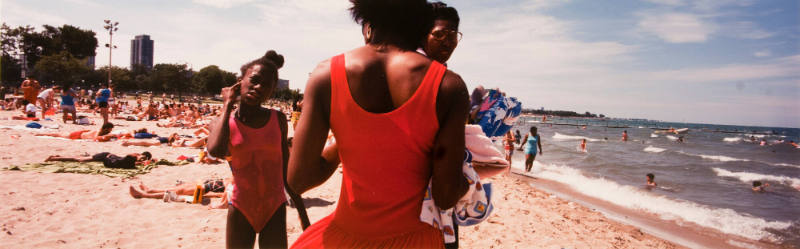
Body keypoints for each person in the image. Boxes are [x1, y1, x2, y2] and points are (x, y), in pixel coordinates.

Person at [288, 1, 469, 248]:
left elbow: (299, 180)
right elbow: (446, 195)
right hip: (415, 239)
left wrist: (348, 140)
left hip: (344, 236)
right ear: (421, 26)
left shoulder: (325, 75)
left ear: (367, 25)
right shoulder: (449, 85)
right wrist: (471, 178)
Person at [207, 50, 302, 249]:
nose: (258, 87)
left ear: (271, 91)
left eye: (266, 85)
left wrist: (302, 211)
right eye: (254, 80)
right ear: (240, 81)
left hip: (274, 206)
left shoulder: (278, 119)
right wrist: (227, 104)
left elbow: (285, 169)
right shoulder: (223, 122)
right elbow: (215, 151)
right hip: (241, 207)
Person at [129, 178, 230, 200]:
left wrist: (207, 194)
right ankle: (150, 190)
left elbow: (222, 194)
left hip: (206, 189)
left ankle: (143, 195)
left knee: (178, 192)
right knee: (179, 188)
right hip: (207, 185)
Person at [45, 151, 152, 169]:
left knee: (82, 159)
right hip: (106, 156)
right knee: (79, 160)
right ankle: (54, 158)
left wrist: (142, 161)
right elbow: (130, 157)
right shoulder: (133, 156)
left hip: (109, 157)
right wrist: (140, 159)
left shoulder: (134, 160)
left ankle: (57, 157)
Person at [36, 122, 116, 141]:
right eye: (110, 129)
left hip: (81, 133)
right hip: (77, 135)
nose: (110, 131)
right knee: (58, 135)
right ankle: (42, 134)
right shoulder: (99, 132)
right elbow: (96, 138)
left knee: (60, 134)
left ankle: (42, 133)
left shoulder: (100, 131)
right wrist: (108, 137)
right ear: (106, 129)